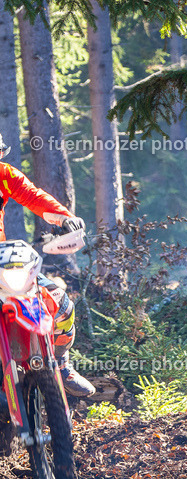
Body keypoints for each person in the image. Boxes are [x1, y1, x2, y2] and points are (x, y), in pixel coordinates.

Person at [0, 134, 94, 397]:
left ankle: (61, 364)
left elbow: (33, 196)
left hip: (2, 261)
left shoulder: (4, 175)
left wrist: (64, 218)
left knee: (60, 302)